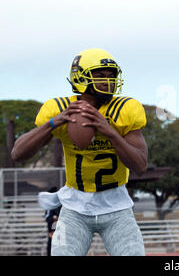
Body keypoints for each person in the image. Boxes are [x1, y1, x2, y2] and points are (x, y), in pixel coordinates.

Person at [12, 48, 148, 256]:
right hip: (75, 208)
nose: (108, 81)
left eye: (112, 76)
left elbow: (140, 165)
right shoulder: (59, 108)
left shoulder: (125, 108)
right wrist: (51, 123)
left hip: (117, 207)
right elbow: (18, 153)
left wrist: (110, 133)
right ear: (81, 77)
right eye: (100, 76)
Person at [42, 187, 62, 256]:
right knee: (51, 248)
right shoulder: (50, 205)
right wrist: (51, 231)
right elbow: (48, 218)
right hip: (53, 230)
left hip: (61, 230)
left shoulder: (60, 204)